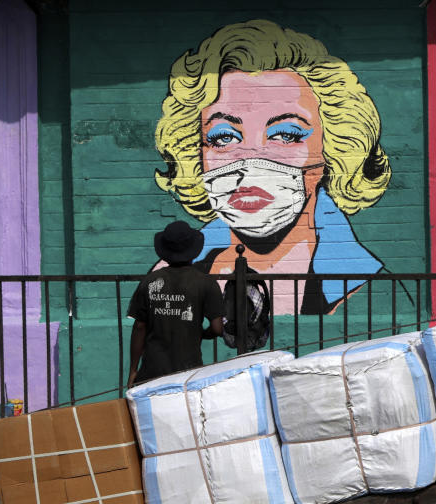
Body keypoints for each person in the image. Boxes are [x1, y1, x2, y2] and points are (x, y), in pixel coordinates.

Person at [153, 19, 392, 315]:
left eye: (286, 134)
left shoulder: (368, 286)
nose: (250, 159)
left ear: (335, 147)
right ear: (195, 153)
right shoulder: (164, 281)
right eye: (223, 136)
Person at [127, 221, 225, 387]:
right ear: (193, 250)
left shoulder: (149, 281)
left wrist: (133, 370)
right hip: (188, 373)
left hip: (152, 372)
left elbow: (139, 327)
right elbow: (217, 328)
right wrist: (202, 333)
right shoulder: (206, 283)